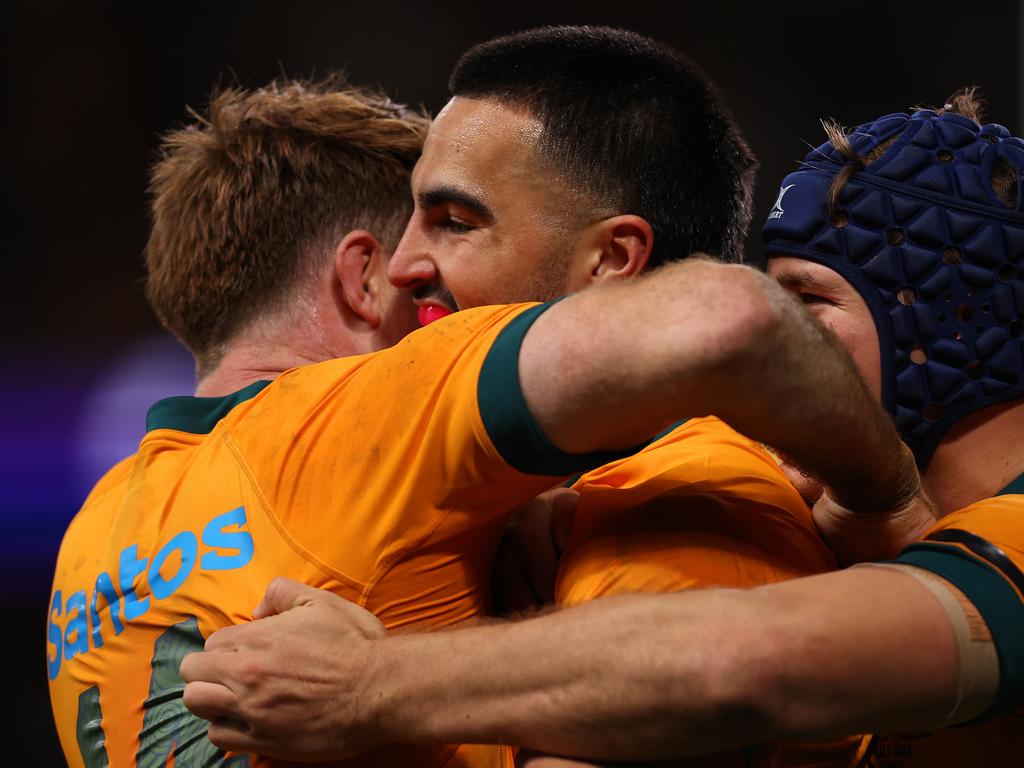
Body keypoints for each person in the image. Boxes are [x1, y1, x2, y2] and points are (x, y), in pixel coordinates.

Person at [46, 71, 918, 768]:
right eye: (418, 237)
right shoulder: (369, 411)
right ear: (363, 278)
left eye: (454, 226)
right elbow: (727, 321)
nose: (421, 277)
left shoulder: (90, 542)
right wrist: (884, 490)